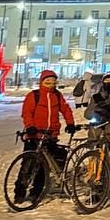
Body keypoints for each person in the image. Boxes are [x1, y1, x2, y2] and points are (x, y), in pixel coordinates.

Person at [16, 70, 75, 201]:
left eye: (53, 81)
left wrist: (70, 123)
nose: (50, 84)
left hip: (51, 134)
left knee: (45, 166)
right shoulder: (34, 95)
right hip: (34, 134)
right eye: (47, 81)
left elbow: (65, 109)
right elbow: (27, 112)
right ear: (42, 82)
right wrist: (30, 126)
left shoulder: (57, 95)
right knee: (28, 164)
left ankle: (36, 192)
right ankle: (19, 192)